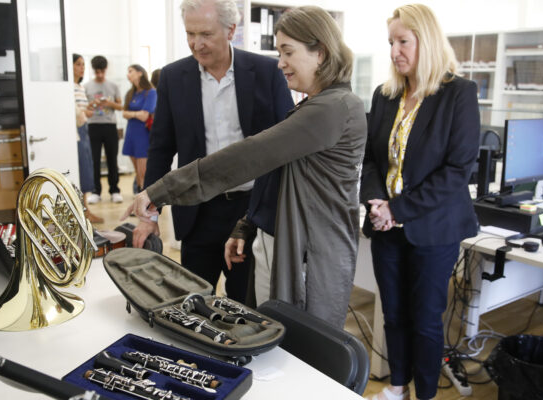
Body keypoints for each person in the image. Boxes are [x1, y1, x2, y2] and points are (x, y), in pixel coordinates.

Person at [127, 5, 366, 328]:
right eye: (190, 34)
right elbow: (274, 163)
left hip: (312, 251)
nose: (280, 62)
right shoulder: (317, 104)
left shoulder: (332, 108)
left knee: (301, 346)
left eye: (288, 52)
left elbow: (253, 155)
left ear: (320, 53)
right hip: (254, 230)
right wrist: (249, 223)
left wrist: (160, 191)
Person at [131, 0, 293, 304]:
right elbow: (161, 147)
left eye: (205, 34)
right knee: (192, 304)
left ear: (231, 29)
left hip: (250, 212)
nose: (196, 44)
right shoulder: (173, 77)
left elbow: (285, 144)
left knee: (245, 306)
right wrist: (149, 213)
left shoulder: (266, 71)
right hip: (197, 211)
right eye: (190, 34)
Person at [360, 4, 479, 400]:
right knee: (393, 314)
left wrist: (398, 209)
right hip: (386, 226)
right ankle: (397, 387)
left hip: (433, 228)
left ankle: (425, 394)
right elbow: (372, 159)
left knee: (426, 321)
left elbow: (458, 170)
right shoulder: (385, 95)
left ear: (425, 41)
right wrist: (377, 202)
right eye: (391, 42)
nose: (394, 51)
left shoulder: (458, 94)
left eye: (402, 41)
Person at [85, 55, 123, 204]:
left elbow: (121, 106)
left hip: (110, 126)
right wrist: (93, 104)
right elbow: (84, 108)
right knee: (94, 160)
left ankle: (114, 190)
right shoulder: (87, 86)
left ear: (106, 70)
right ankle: (96, 191)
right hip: (93, 125)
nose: (99, 75)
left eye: (102, 72)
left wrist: (109, 103)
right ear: (94, 70)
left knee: (112, 159)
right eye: (97, 72)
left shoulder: (113, 86)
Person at [72, 53, 104, 224]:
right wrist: (86, 112)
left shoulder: (79, 86)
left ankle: (85, 209)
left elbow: (81, 109)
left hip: (83, 129)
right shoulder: (69, 86)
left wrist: (89, 107)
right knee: (82, 169)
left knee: (86, 168)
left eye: (83, 64)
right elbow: (75, 112)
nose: (81, 67)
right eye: (78, 64)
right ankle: (82, 211)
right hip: (76, 131)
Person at [122, 64, 157, 193]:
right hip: (131, 133)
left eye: (130, 71)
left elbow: (144, 116)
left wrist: (132, 114)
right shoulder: (131, 93)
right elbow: (124, 113)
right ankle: (139, 198)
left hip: (143, 135)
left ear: (140, 73)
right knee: (137, 172)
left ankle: (147, 201)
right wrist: (136, 114)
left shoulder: (151, 92)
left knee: (143, 172)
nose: (128, 74)